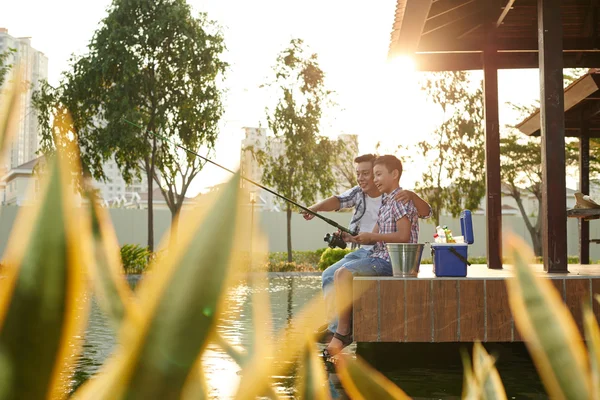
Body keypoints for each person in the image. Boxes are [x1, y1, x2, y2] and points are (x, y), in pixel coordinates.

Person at [303, 153, 431, 343]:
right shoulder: (366, 196)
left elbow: (423, 215)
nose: (363, 178)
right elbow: (339, 200)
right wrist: (316, 209)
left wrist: (412, 195)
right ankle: (336, 327)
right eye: (359, 174)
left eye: (369, 173)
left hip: (386, 256)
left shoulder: (398, 197)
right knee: (330, 274)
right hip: (369, 249)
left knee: (342, 274)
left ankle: (342, 330)